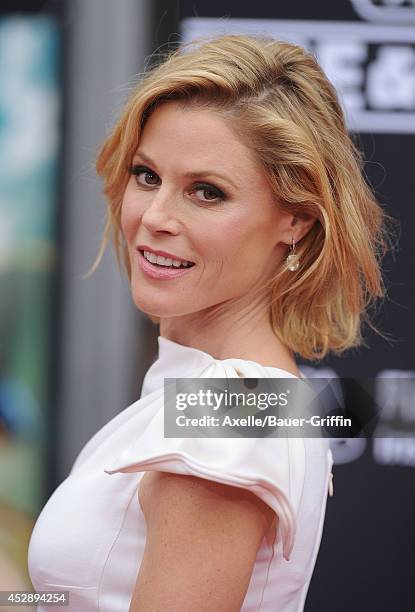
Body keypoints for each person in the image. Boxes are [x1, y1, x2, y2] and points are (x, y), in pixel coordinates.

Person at [27, 34, 394, 611]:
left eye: (206, 192)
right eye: (147, 176)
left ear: (294, 220)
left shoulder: (227, 411)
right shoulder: (237, 396)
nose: (154, 217)